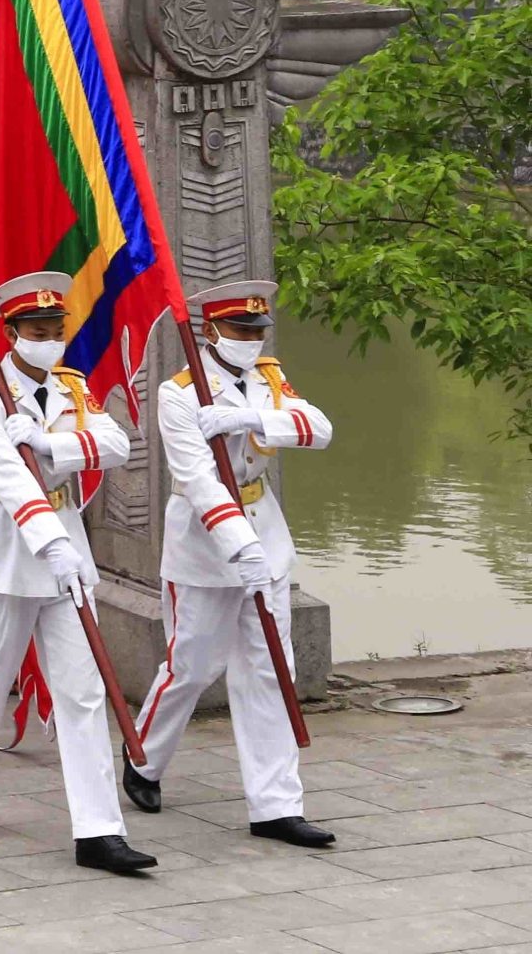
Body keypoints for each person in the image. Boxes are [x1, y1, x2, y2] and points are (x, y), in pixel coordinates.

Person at [0, 272, 154, 876]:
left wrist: (51, 443)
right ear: (10, 334)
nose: (50, 340)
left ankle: (99, 831)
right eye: (37, 331)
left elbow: (114, 442)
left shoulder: (73, 388)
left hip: (67, 549)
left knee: (83, 691)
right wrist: (52, 542)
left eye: (56, 330)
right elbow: (8, 480)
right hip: (9, 551)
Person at [123, 281, 336, 849]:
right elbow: (195, 479)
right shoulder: (181, 393)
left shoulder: (268, 380)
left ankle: (276, 806)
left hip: (263, 528)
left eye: (256, 331)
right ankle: (144, 756)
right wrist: (238, 545)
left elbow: (319, 429)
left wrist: (251, 420)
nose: (249, 340)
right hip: (204, 541)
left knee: (270, 671)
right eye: (239, 331)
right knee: (191, 665)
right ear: (211, 332)